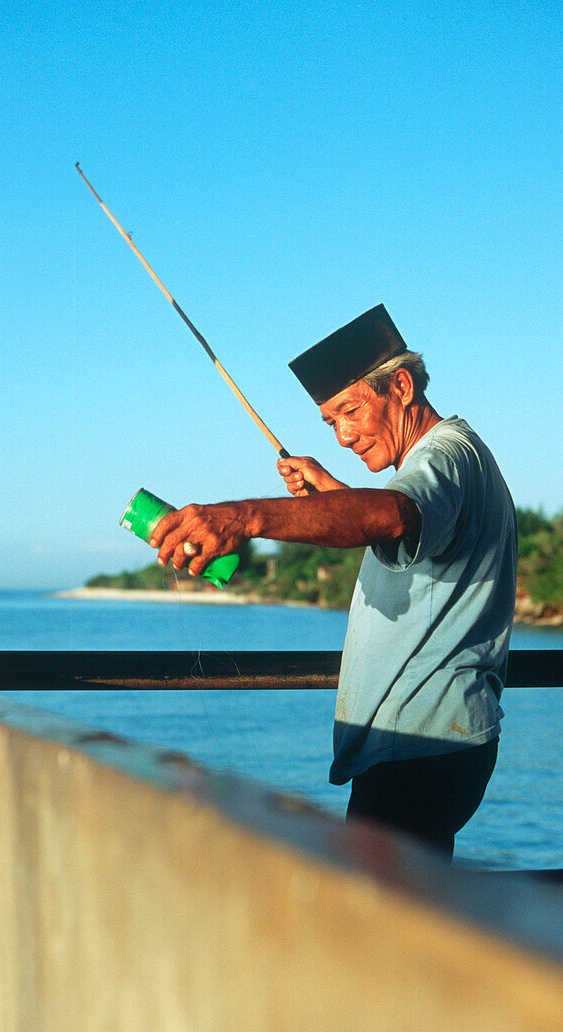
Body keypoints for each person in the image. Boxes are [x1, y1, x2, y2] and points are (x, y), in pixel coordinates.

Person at [150, 305, 517, 859]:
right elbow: (397, 526)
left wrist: (243, 517)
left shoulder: (445, 456)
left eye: (350, 410)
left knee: (377, 928)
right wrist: (333, 492)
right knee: (405, 920)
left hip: (422, 746)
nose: (343, 435)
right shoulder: (445, 462)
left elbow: (393, 515)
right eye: (329, 422)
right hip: (427, 743)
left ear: (401, 386)